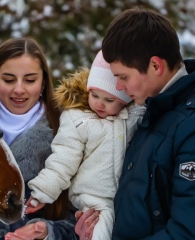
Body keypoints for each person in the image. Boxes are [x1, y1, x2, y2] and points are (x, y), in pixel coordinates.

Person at [75, 7, 195, 240]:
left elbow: (186, 232)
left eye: (123, 77)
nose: (118, 87)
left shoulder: (189, 126)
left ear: (155, 66)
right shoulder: (147, 112)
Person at [6, 50, 145, 240]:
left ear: (124, 101)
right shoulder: (79, 120)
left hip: (125, 198)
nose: (100, 104)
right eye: (95, 95)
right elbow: (63, 160)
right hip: (94, 199)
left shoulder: (131, 118)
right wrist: (41, 193)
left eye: (109, 100)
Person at [0, 37, 77, 240]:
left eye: (30, 80)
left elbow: (83, 220)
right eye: (9, 80)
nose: (19, 89)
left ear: (44, 82)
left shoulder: (69, 131)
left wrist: (47, 232)